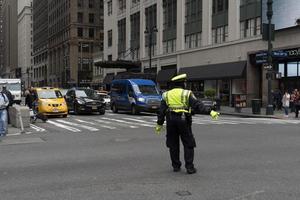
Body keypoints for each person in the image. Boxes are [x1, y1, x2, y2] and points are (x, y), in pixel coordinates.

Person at [156, 74, 218, 174]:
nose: (185, 84)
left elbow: (161, 110)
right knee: (188, 143)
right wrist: (210, 112)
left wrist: (159, 124)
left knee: (173, 143)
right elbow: (197, 105)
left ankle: (176, 166)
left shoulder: (166, 94)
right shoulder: (187, 93)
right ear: (182, 83)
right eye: (184, 82)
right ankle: (189, 167)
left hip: (171, 120)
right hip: (183, 119)